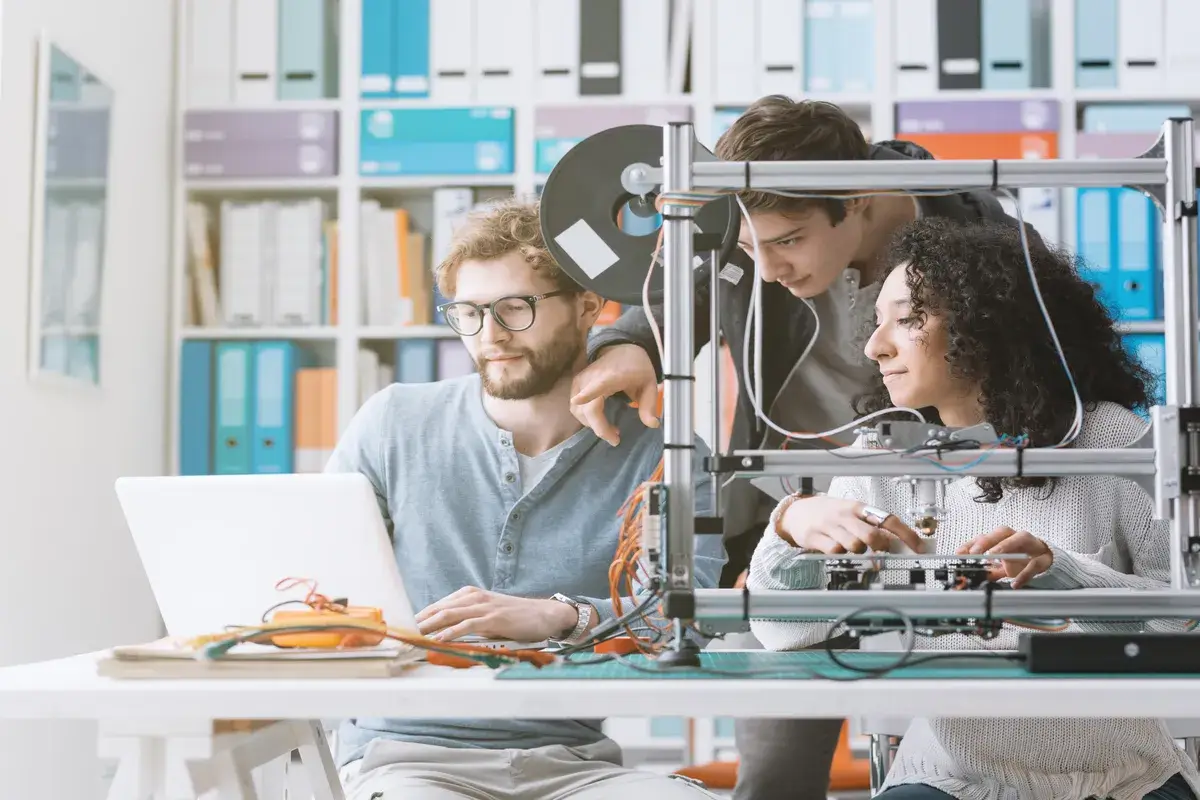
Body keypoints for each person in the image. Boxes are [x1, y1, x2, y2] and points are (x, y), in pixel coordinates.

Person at [572, 95, 1043, 799]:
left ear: (854, 200)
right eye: (749, 244)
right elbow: (684, 288)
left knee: (972, 760)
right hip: (793, 520)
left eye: (788, 240)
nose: (765, 269)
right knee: (777, 776)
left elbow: (1046, 387)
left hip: (952, 523)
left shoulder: (984, 242)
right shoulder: (751, 239)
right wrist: (629, 345)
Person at [749, 216, 1200, 800]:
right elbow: (780, 629)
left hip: (1127, 781)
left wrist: (1066, 576)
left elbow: (1185, 622)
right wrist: (789, 528)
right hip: (952, 781)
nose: (874, 346)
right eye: (878, 321)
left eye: (908, 320)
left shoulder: (1109, 441)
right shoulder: (884, 459)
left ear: (984, 326)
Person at [324, 198, 727, 800]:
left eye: (516, 308)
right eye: (470, 312)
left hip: (573, 763)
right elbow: (317, 584)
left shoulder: (665, 452)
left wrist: (562, 616)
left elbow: (688, 618)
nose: (491, 336)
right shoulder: (393, 423)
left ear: (589, 307)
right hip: (405, 760)